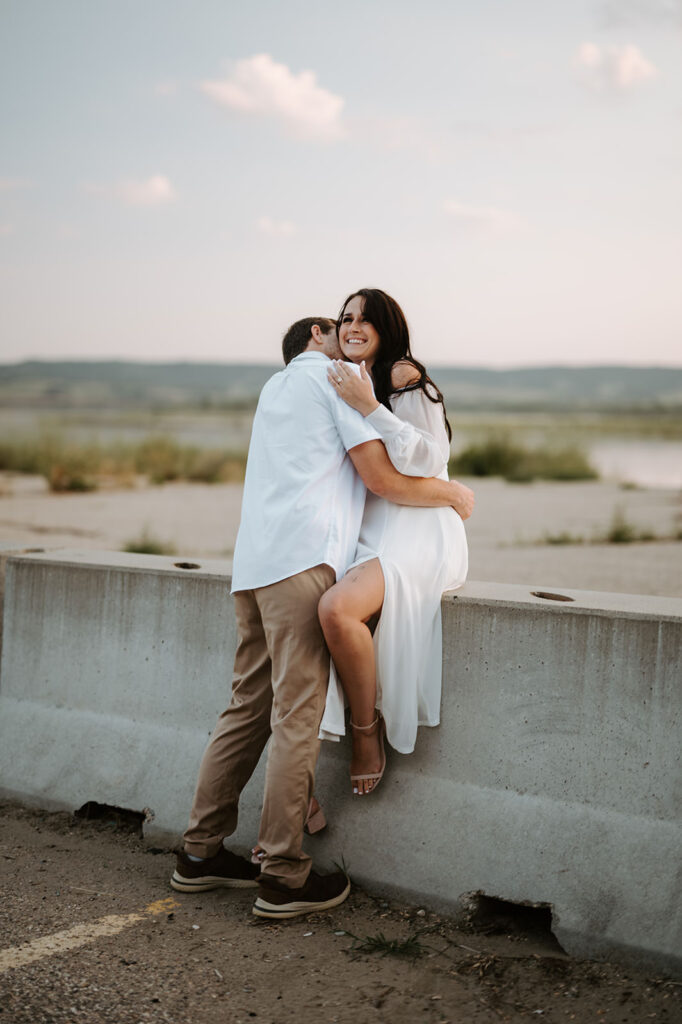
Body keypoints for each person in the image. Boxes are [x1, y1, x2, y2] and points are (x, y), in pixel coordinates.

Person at [170, 314, 474, 919]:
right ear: (316, 334)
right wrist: (453, 494)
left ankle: (199, 855)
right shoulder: (330, 379)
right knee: (297, 714)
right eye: (341, 323)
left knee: (246, 707)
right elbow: (381, 477)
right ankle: (283, 873)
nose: (350, 332)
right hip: (303, 563)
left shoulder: (275, 387)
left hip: (253, 566)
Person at [319, 288, 471, 795]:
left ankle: (367, 735)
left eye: (365, 320)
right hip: (372, 523)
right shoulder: (344, 377)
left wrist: (370, 407)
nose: (352, 327)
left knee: (338, 609)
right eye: (346, 319)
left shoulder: (402, 375)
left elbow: (428, 458)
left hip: (419, 525)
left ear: (387, 328)